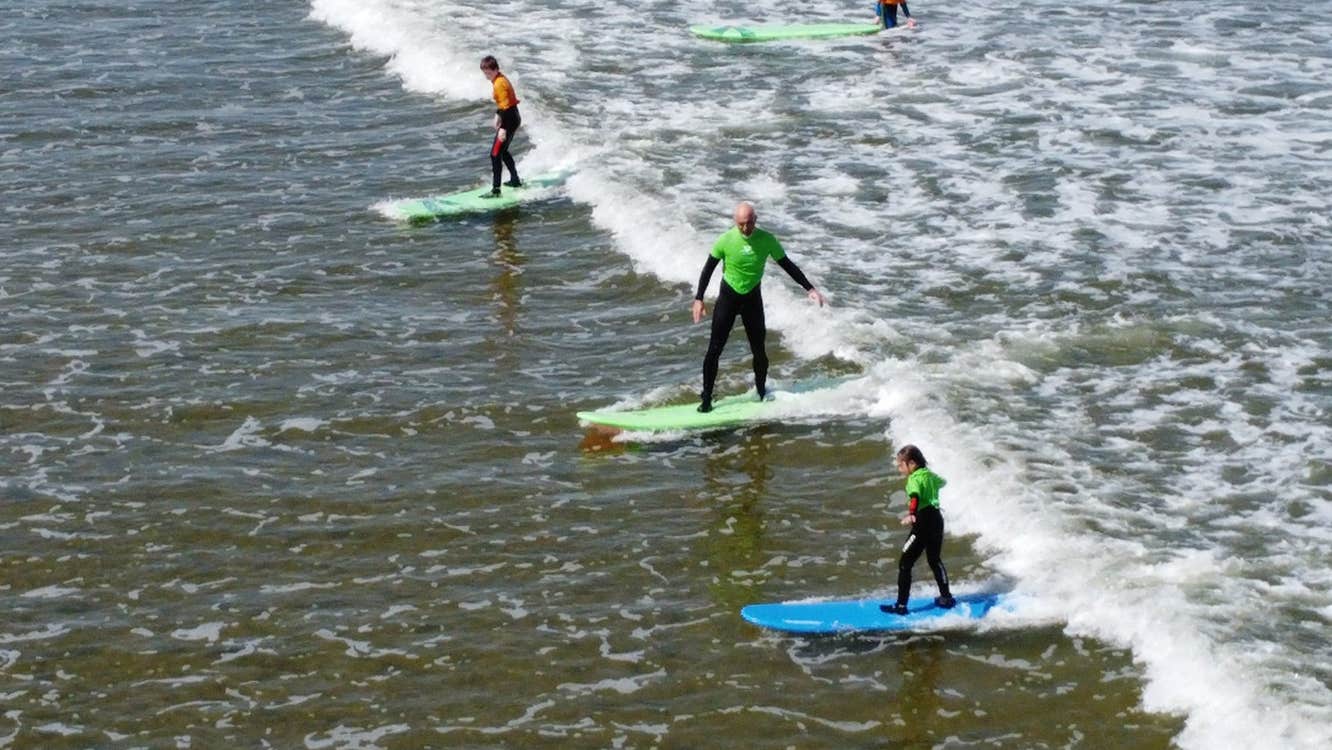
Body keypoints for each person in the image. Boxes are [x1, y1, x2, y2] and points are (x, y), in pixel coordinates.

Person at [691, 202, 825, 413]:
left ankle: (761, 392)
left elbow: (787, 264)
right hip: (728, 297)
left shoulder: (766, 239)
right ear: (736, 222)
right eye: (741, 224)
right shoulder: (725, 240)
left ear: (756, 219)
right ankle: (706, 398)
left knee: (759, 350)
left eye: (749, 223)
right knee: (714, 350)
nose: (746, 228)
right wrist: (698, 299)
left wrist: (809, 288)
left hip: (752, 299)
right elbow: (708, 269)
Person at [881, 445, 955, 615]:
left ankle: (901, 606)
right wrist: (930, 488)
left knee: (905, 563)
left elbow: (914, 496)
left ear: (912, 463)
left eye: (901, 465)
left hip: (923, 521)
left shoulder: (914, 479)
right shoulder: (929, 475)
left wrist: (912, 514)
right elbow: (943, 482)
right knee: (934, 560)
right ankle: (946, 598)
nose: (899, 468)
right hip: (937, 520)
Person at [479, 55, 522, 198]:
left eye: (489, 72)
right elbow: (506, 104)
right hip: (512, 117)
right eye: (485, 72)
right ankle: (515, 180)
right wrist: (497, 114)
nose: (486, 75)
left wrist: (502, 127)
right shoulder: (499, 79)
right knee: (502, 152)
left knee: (495, 154)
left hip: (509, 119)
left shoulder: (499, 83)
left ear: (496, 69)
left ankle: (496, 190)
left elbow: (506, 107)